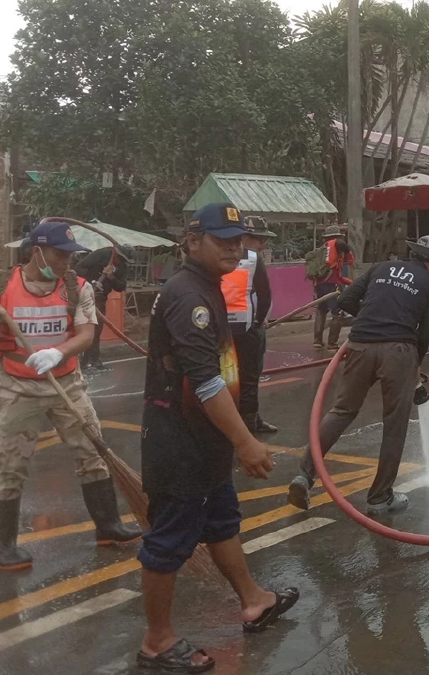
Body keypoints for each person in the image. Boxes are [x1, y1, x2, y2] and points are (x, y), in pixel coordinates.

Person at [137, 203, 297, 672]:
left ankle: (253, 600)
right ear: (192, 241)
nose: (233, 246)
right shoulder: (189, 296)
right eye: (221, 238)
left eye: (237, 238)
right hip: (179, 441)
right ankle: (157, 642)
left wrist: (231, 438)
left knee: (222, 519)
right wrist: (246, 441)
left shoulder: (208, 286)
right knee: (169, 540)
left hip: (207, 439)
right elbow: (205, 380)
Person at [0, 221, 142, 570]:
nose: (66, 262)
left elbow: (85, 335)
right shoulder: (6, 287)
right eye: (60, 255)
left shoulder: (77, 288)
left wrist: (58, 353)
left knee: (93, 452)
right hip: (19, 386)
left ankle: (109, 526)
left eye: (70, 255)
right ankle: (4, 547)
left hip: (67, 383)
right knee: (9, 466)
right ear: (37, 252)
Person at [288, 236, 429, 515]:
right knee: (394, 423)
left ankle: (304, 474)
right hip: (398, 351)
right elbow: (424, 335)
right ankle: (379, 497)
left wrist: (373, 317)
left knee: (341, 410)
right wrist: (414, 367)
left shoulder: (381, 268)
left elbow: (346, 300)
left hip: (360, 344)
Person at [221, 216, 276, 434]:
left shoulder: (218, 257)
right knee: (248, 381)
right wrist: (258, 321)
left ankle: (244, 422)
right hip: (247, 330)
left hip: (220, 329)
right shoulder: (253, 259)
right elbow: (264, 296)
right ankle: (247, 430)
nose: (262, 245)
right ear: (244, 236)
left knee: (224, 380)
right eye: (258, 239)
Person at [75, 246, 130, 372]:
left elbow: (121, 287)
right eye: (119, 258)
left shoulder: (122, 267)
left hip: (101, 298)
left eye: (123, 260)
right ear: (115, 253)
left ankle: (93, 360)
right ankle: (84, 361)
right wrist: (91, 282)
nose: (120, 262)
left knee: (97, 329)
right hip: (88, 295)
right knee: (88, 328)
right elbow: (78, 268)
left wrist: (111, 277)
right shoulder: (101, 254)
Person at [312, 224, 354, 349]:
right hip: (332, 285)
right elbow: (336, 276)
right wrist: (350, 256)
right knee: (338, 313)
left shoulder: (322, 250)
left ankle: (317, 341)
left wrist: (351, 282)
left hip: (320, 285)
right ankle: (332, 343)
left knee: (321, 309)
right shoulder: (335, 243)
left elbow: (338, 276)